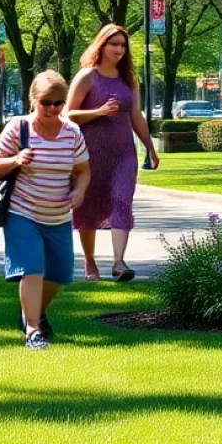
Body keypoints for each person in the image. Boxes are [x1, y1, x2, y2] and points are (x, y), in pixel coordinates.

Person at [0, 70, 91, 349]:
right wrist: (15, 159)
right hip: (23, 212)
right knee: (32, 267)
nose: (52, 108)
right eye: (46, 102)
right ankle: (33, 330)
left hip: (58, 215)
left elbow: (83, 170)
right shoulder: (19, 127)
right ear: (33, 99)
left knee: (59, 274)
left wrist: (79, 190)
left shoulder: (72, 133)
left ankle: (34, 312)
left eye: (59, 103)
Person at [66, 24, 159, 283]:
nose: (118, 49)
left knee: (122, 201)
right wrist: (97, 112)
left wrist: (149, 146)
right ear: (102, 45)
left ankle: (119, 262)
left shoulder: (129, 78)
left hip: (123, 153)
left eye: (122, 45)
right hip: (89, 154)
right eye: (113, 44)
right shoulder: (87, 77)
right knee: (89, 208)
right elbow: (68, 115)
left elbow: (135, 114)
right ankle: (90, 261)